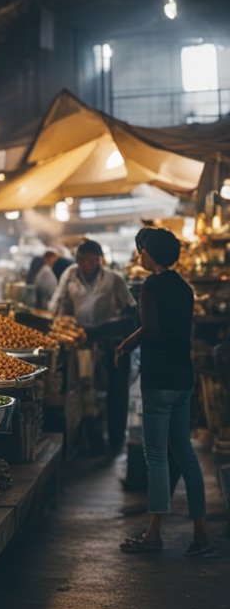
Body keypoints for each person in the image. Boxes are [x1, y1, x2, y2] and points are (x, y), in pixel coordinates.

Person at [116, 228, 210, 556]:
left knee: (156, 456)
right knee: (184, 452)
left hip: (158, 379)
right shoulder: (185, 289)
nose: (139, 255)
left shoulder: (150, 286)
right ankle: (201, 533)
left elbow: (151, 328)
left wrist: (125, 345)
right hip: (183, 377)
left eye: (141, 250)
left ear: (151, 253)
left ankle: (153, 534)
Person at [51, 239, 135, 455]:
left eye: (93, 260)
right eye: (84, 260)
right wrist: (60, 325)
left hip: (110, 340)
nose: (89, 264)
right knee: (86, 392)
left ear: (100, 260)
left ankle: (116, 440)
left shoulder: (113, 280)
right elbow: (59, 304)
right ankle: (90, 441)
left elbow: (130, 309)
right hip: (81, 341)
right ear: (78, 260)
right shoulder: (70, 275)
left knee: (115, 392)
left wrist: (120, 333)